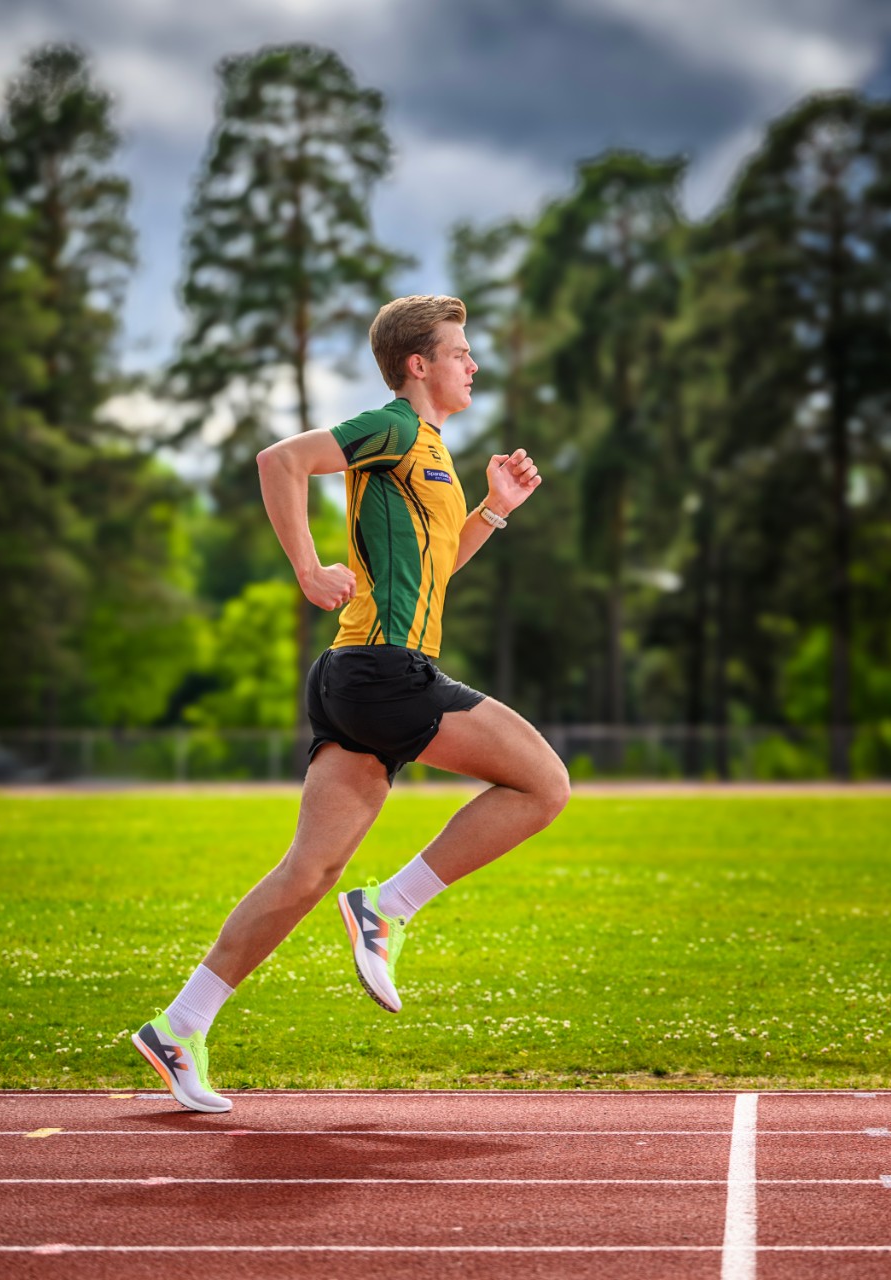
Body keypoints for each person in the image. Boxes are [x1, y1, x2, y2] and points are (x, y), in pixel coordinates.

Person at [133, 295, 571, 1112]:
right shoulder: (396, 428)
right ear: (419, 364)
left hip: (356, 676)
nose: (472, 364)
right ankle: (387, 908)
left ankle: (180, 1025)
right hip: (381, 673)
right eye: (459, 352)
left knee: (308, 872)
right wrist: (306, 568)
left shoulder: (433, 452)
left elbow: (434, 575)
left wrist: (493, 514)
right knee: (544, 785)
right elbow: (279, 461)